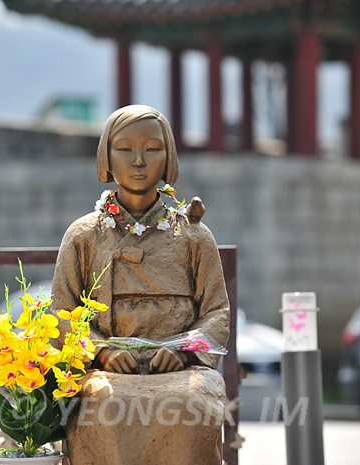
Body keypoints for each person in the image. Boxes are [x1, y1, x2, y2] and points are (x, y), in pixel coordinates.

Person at [51, 104, 230, 465]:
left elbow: (217, 312)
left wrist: (184, 350)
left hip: (182, 370)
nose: (138, 161)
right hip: (106, 370)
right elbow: (62, 313)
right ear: (106, 157)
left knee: (193, 401)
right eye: (124, 149)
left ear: (169, 157)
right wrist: (101, 352)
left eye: (152, 149)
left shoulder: (194, 236)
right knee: (102, 399)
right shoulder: (83, 235)